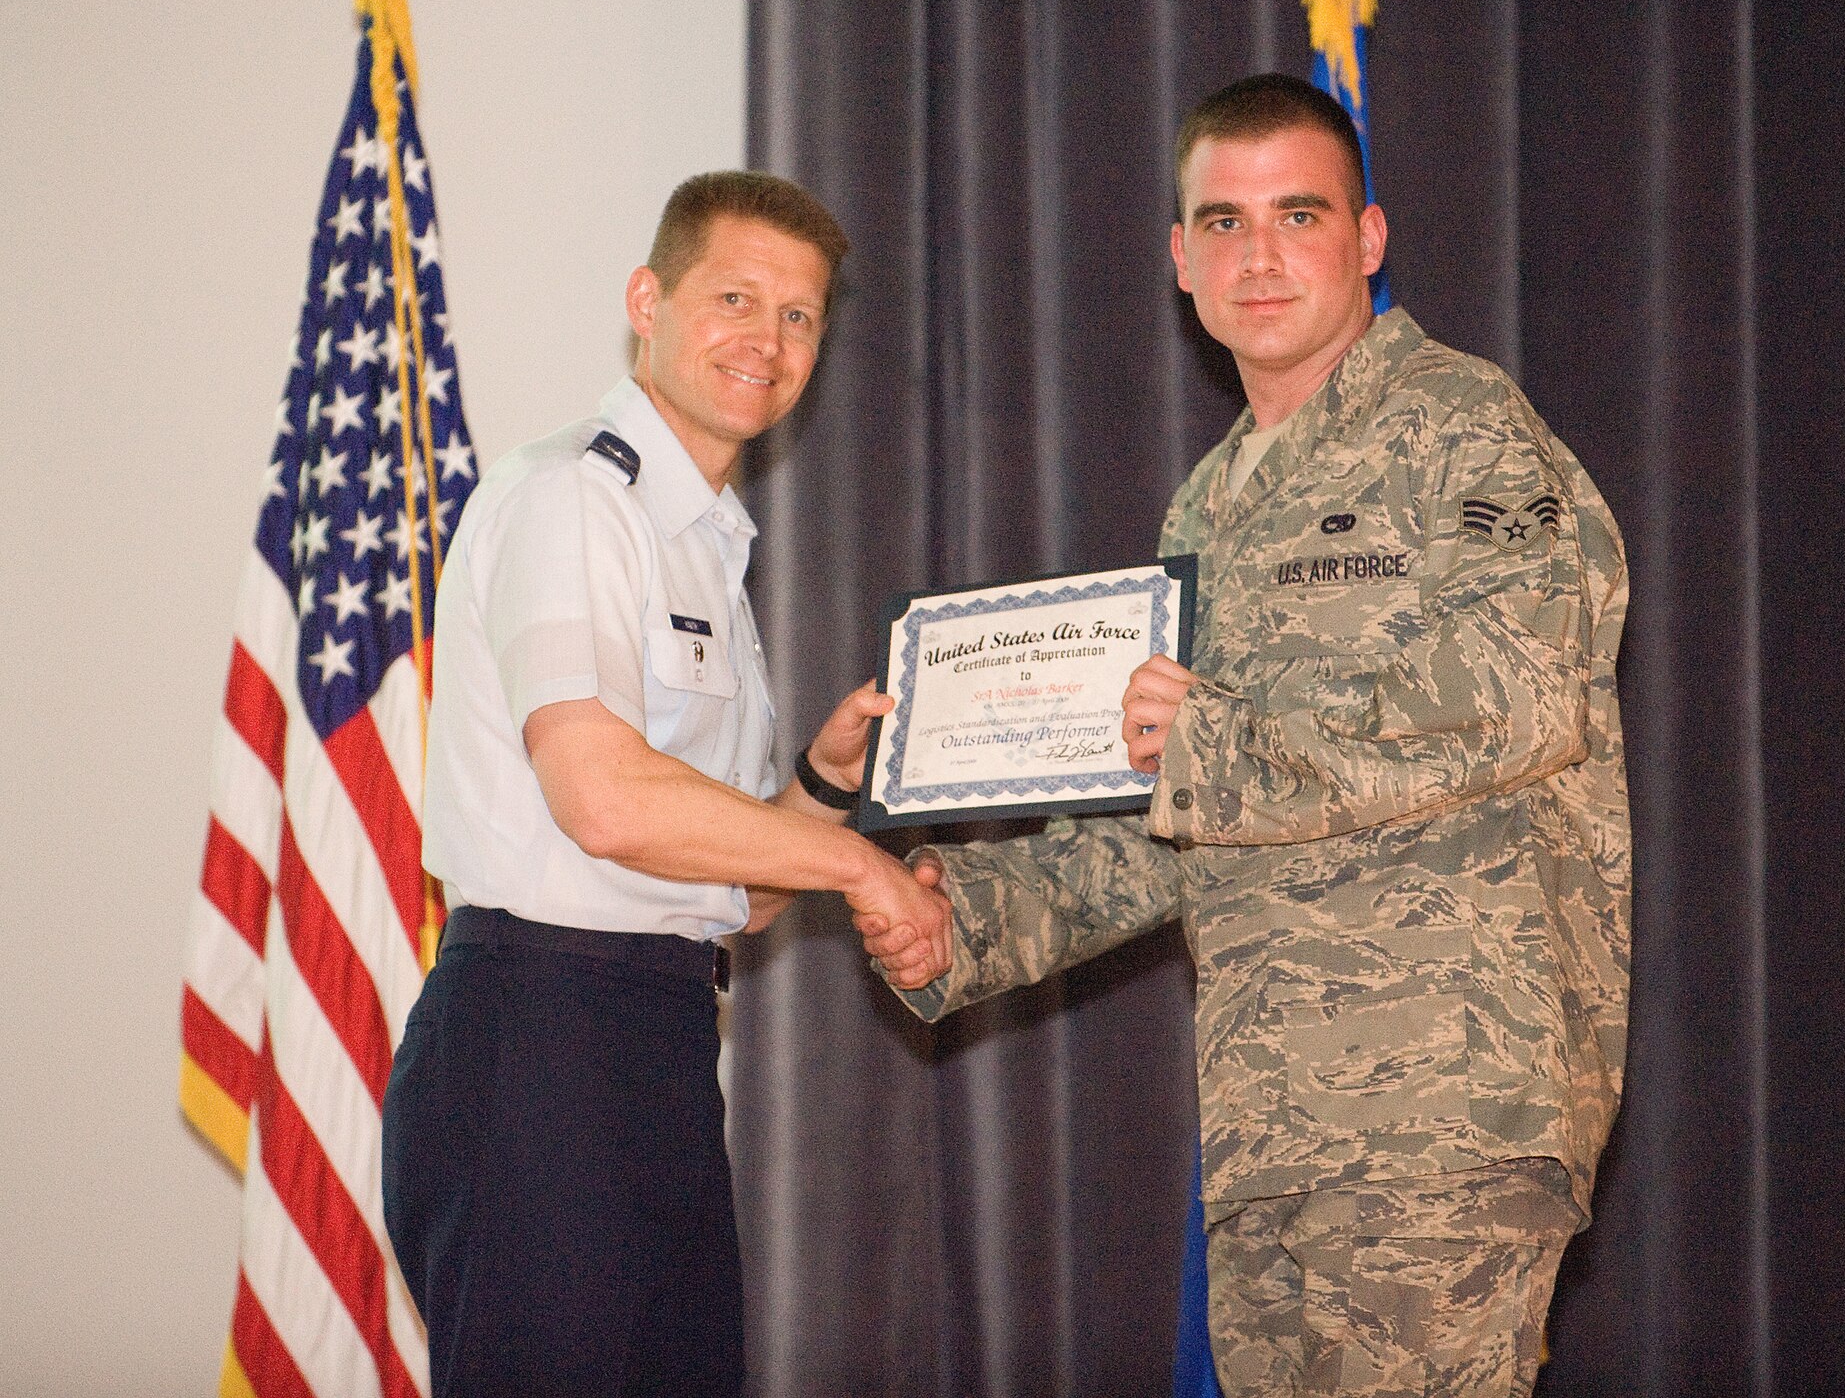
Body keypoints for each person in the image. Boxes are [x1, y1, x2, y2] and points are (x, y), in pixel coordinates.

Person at [862, 75, 1630, 1397]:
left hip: (1442, 1117)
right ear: (1177, 257)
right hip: (1275, 1129)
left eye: (1298, 212)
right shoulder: (1210, 504)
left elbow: (1525, 688)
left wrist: (1217, 742)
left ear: (1370, 237)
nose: (1257, 255)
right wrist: (967, 913)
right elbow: (1173, 813)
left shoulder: (1463, 426)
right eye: (1220, 221)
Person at [383, 171, 951, 1398]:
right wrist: (855, 866)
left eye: (800, 316)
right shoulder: (572, 499)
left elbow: (734, 895)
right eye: (735, 297)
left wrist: (817, 785)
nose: (769, 339)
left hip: (655, 1040)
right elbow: (604, 800)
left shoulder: (702, 537)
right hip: (536, 1033)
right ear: (647, 300)